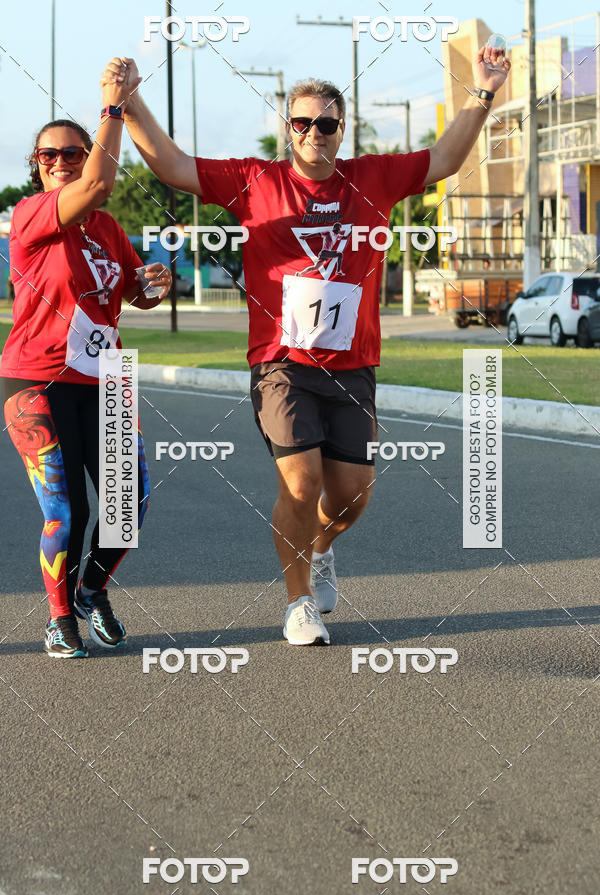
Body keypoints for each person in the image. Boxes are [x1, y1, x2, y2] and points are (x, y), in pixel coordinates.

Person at [103, 43, 510, 646]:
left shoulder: (373, 177)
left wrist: (483, 91)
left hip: (354, 365)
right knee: (301, 484)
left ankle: (320, 551)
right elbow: (171, 164)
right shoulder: (254, 180)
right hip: (281, 363)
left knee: (349, 499)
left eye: (325, 123)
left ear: (340, 129)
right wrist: (128, 102)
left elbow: (448, 157)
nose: (313, 132)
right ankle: (298, 605)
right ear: (287, 129)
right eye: (302, 122)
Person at [1, 59, 172, 658]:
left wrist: (154, 286)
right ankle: (57, 619)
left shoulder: (107, 227)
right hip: (38, 379)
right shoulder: (29, 216)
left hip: (105, 377)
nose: (63, 162)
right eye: (50, 155)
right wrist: (112, 105)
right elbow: (98, 182)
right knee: (64, 511)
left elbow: (133, 294)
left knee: (130, 502)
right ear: (36, 165)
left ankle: (90, 591)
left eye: (74, 153)